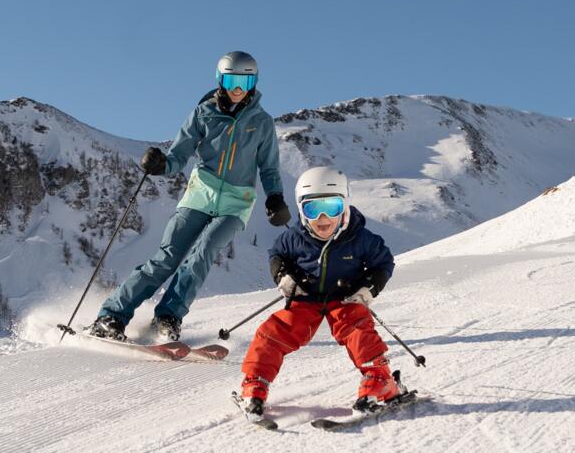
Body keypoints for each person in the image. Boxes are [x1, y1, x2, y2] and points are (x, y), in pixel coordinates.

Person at [88, 51, 290, 341]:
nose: (237, 88)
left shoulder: (262, 122)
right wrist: (162, 165)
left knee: (204, 253)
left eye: (244, 82)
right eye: (232, 80)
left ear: (253, 84)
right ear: (220, 80)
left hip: (236, 202)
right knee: (166, 258)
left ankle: (168, 317)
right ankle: (111, 316)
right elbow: (179, 155)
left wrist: (274, 197)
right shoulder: (204, 113)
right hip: (200, 194)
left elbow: (269, 167)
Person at [236, 167, 402, 415]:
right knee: (273, 331)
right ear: (302, 212)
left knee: (358, 329)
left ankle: (381, 379)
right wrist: (283, 276)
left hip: (345, 299)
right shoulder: (294, 237)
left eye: (332, 207)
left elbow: (383, 263)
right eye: (312, 209)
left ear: (345, 206)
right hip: (306, 298)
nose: (323, 217)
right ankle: (255, 381)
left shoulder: (360, 238)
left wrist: (368, 288)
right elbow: (277, 255)